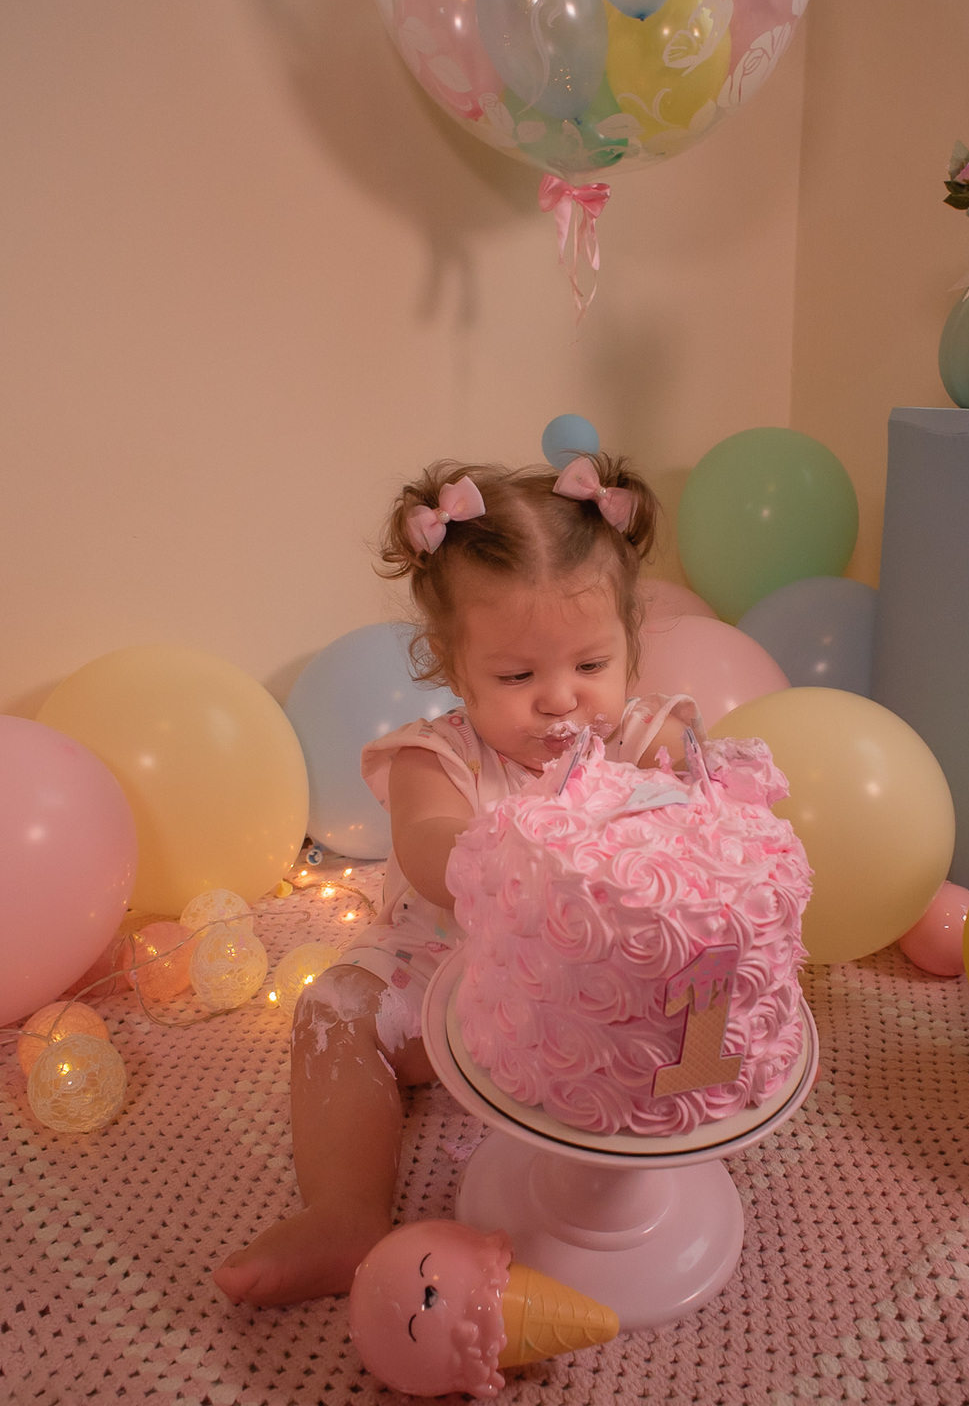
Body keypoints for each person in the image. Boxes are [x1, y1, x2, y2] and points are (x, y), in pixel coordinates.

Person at [213, 454, 698, 1306]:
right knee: (334, 1009)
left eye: (590, 665)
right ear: (450, 661)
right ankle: (345, 1209)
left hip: (602, 993)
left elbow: (709, 827)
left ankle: (649, 1162)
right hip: (452, 981)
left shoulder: (638, 739)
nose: (560, 701)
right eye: (517, 676)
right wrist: (510, 855)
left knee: (703, 1009)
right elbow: (434, 848)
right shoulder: (436, 759)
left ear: (630, 639)